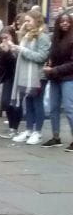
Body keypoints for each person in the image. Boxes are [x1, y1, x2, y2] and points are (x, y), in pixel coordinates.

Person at [7, 12, 51, 145]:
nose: (26, 24)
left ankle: (37, 132)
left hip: (38, 76)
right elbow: (22, 55)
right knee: (29, 103)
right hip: (26, 75)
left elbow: (41, 57)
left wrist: (21, 50)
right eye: (25, 21)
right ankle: (29, 129)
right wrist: (14, 49)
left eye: (29, 21)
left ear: (37, 21)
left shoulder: (43, 37)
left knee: (37, 103)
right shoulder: (26, 36)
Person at [41, 12, 73, 149]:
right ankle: (55, 137)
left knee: (69, 108)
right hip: (55, 77)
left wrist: (54, 70)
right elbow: (51, 56)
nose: (64, 23)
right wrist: (49, 64)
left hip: (69, 77)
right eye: (62, 21)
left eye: (67, 21)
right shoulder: (55, 39)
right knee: (53, 108)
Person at [0, 27, 22, 139]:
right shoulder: (3, 48)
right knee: (6, 102)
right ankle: (11, 128)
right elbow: (1, 64)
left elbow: (16, 64)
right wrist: (4, 52)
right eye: (2, 38)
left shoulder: (17, 47)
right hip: (8, 78)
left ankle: (14, 128)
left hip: (18, 77)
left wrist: (10, 51)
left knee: (16, 104)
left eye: (6, 37)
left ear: (12, 36)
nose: (4, 40)